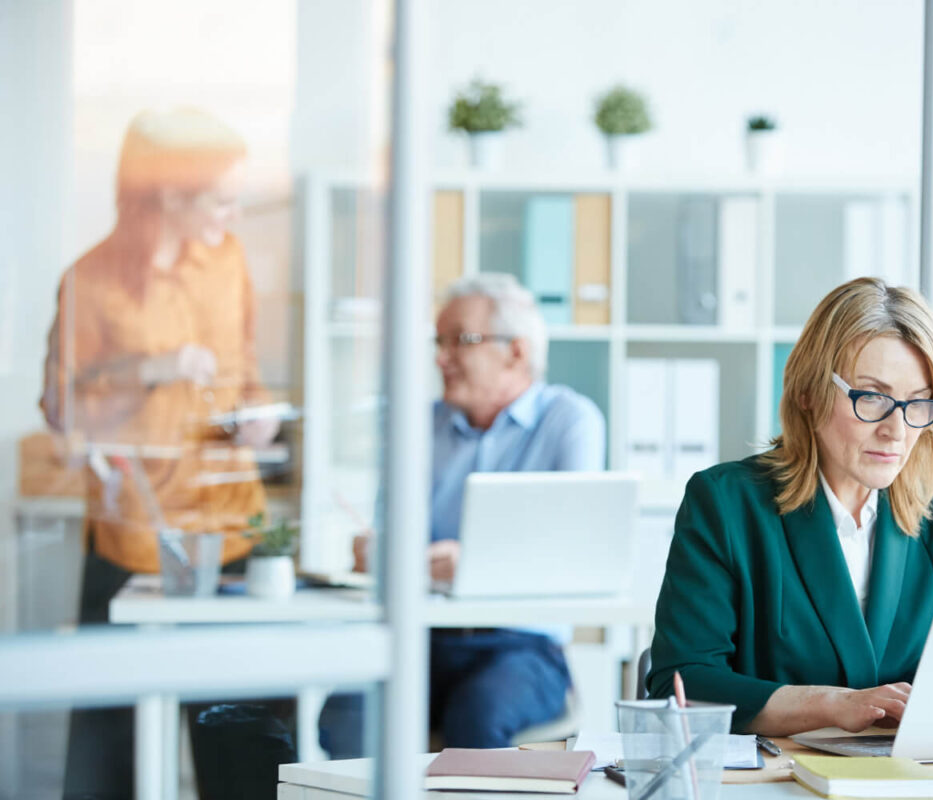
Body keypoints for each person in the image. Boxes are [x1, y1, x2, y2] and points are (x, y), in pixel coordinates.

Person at [41, 107, 280, 799]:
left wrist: (256, 415)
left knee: (241, 748)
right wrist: (151, 367)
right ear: (170, 195)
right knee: (109, 755)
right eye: (223, 199)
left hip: (232, 529)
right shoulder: (89, 280)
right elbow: (63, 412)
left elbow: (246, 372)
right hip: (134, 541)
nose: (234, 217)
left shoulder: (228, 261)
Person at [647, 277, 933, 735]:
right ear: (808, 392)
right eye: (872, 397)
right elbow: (680, 683)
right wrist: (830, 705)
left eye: (920, 403)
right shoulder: (726, 503)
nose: (897, 430)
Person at [319, 272, 605, 755]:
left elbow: (571, 552)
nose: (440, 357)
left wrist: (473, 564)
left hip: (523, 647)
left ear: (516, 351)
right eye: (439, 340)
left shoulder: (570, 421)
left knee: (479, 713)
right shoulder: (420, 425)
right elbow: (391, 535)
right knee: (347, 712)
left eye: (460, 340)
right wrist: (378, 549)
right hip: (423, 638)